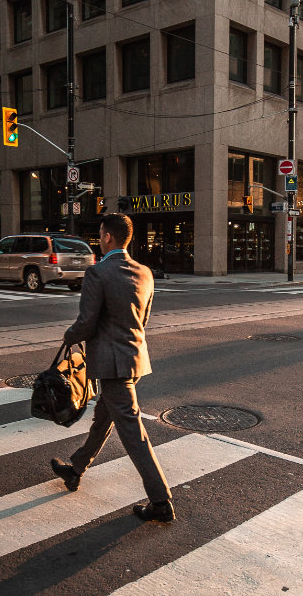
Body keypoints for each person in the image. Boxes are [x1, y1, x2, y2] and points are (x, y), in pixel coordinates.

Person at [50, 213, 174, 522]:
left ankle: (161, 501)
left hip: (111, 362)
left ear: (108, 237)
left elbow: (87, 322)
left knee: (134, 434)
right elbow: (142, 320)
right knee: (103, 418)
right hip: (134, 358)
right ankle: (76, 469)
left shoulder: (99, 273)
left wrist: (70, 336)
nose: (99, 239)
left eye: (101, 234)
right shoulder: (145, 272)